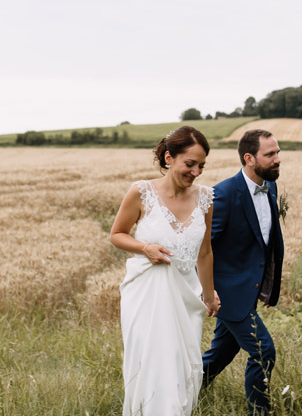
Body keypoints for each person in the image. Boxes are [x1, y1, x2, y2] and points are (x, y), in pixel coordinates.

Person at [110, 126, 220, 416]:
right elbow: (117, 234)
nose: (196, 171)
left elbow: (205, 252)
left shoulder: (206, 198)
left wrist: (208, 296)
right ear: (169, 158)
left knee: (181, 367)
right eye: (190, 164)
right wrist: (145, 248)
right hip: (147, 292)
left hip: (186, 296)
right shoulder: (141, 192)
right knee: (155, 363)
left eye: (201, 165)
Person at [202, 129, 284, 416]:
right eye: (270, 154)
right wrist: (208, 290)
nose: (278, 159)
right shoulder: (223, 194)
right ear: (249, 158)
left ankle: (185, 396)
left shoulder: (270, 186)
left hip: (249, 288)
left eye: (277, 152)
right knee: (263, 351)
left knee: (220, 354)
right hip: (227, 292)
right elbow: (203, 248)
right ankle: (258, 413)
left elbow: (265, 242)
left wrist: (267, 284)